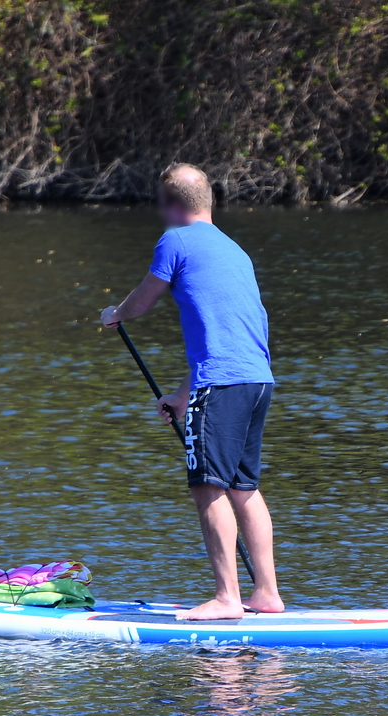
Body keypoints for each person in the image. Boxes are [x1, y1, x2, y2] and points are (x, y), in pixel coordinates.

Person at [100, 163, 284, 620]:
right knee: (245, 488)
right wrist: (184, 395)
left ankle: (227, 600)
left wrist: (115, 314)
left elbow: (144, 299)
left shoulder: (176, 241)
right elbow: (233, 337)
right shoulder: (235, 250)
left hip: (222, 384)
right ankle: (266, 594)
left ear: (172, 205)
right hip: (256, 380)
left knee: (208, 487)